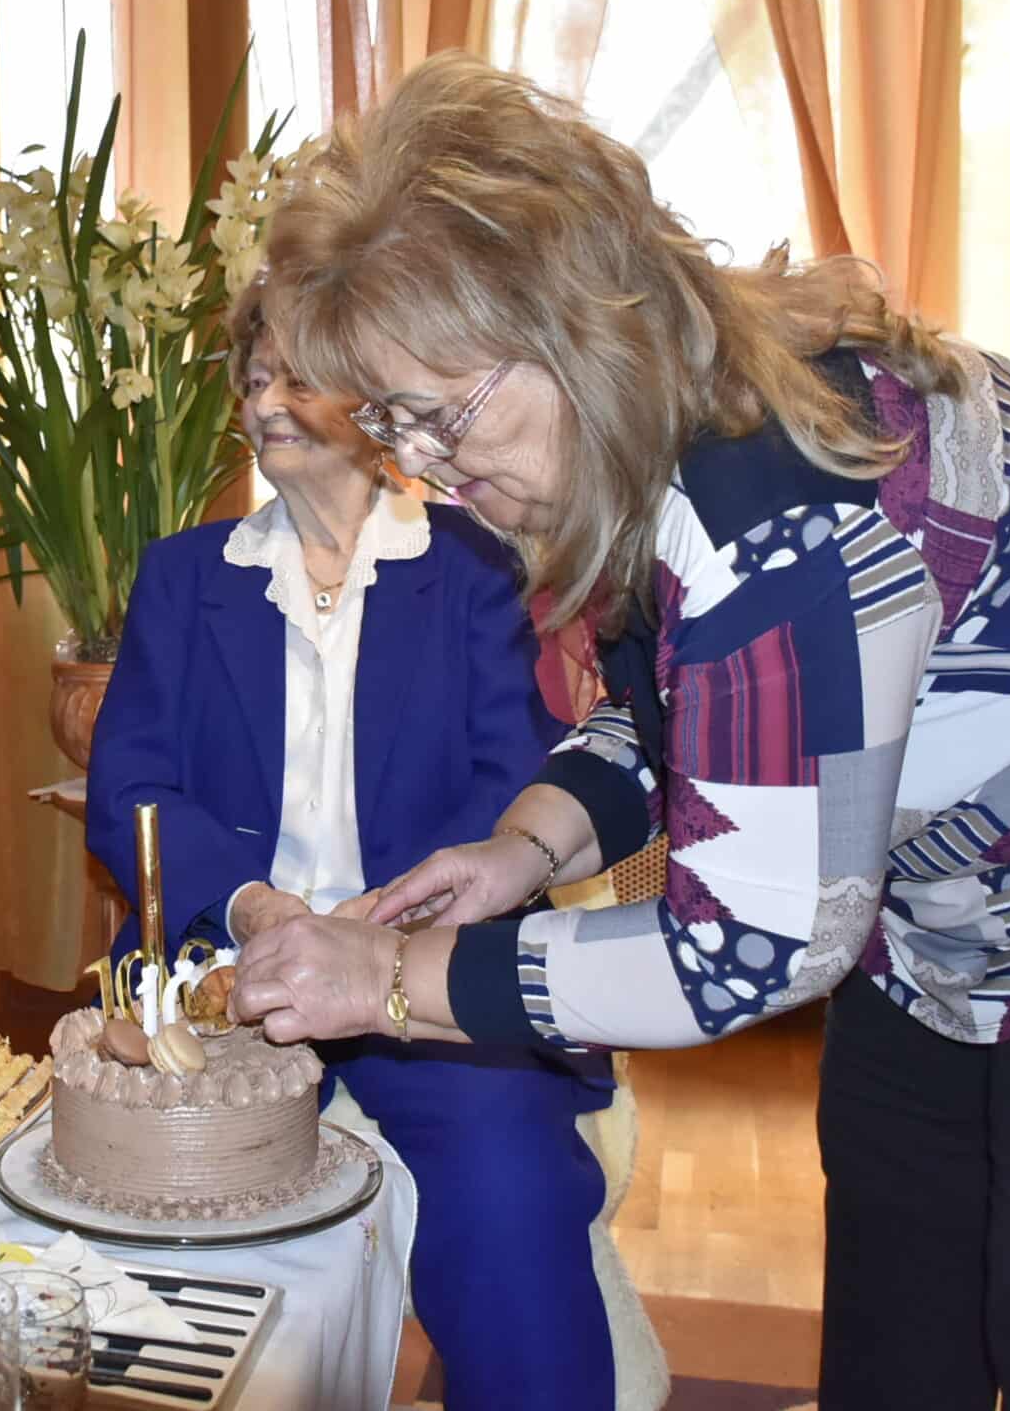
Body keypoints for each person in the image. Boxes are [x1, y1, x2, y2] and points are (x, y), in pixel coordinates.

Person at [226, 54, 1010, 1411]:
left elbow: (745, 947)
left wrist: (390, 977)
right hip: (968, 879)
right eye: (394, 425)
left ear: (566, 320)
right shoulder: (656, 421)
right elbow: (683, 706)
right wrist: (523, 848)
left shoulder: (774, 505)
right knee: (903, 1300)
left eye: (444, 414)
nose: (431, 467)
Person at [85, 281, 626, 1409]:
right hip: (227, 974)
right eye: (253, 379)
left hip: (415, 964)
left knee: (507, 1185)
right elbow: (127, 788)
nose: (265, 400)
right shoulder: (184, 577)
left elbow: (514, 773)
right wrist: (250, 906)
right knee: (136, 1207)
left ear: (377, 403)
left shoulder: (474, 563)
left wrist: (381, 927)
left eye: (297, 376)